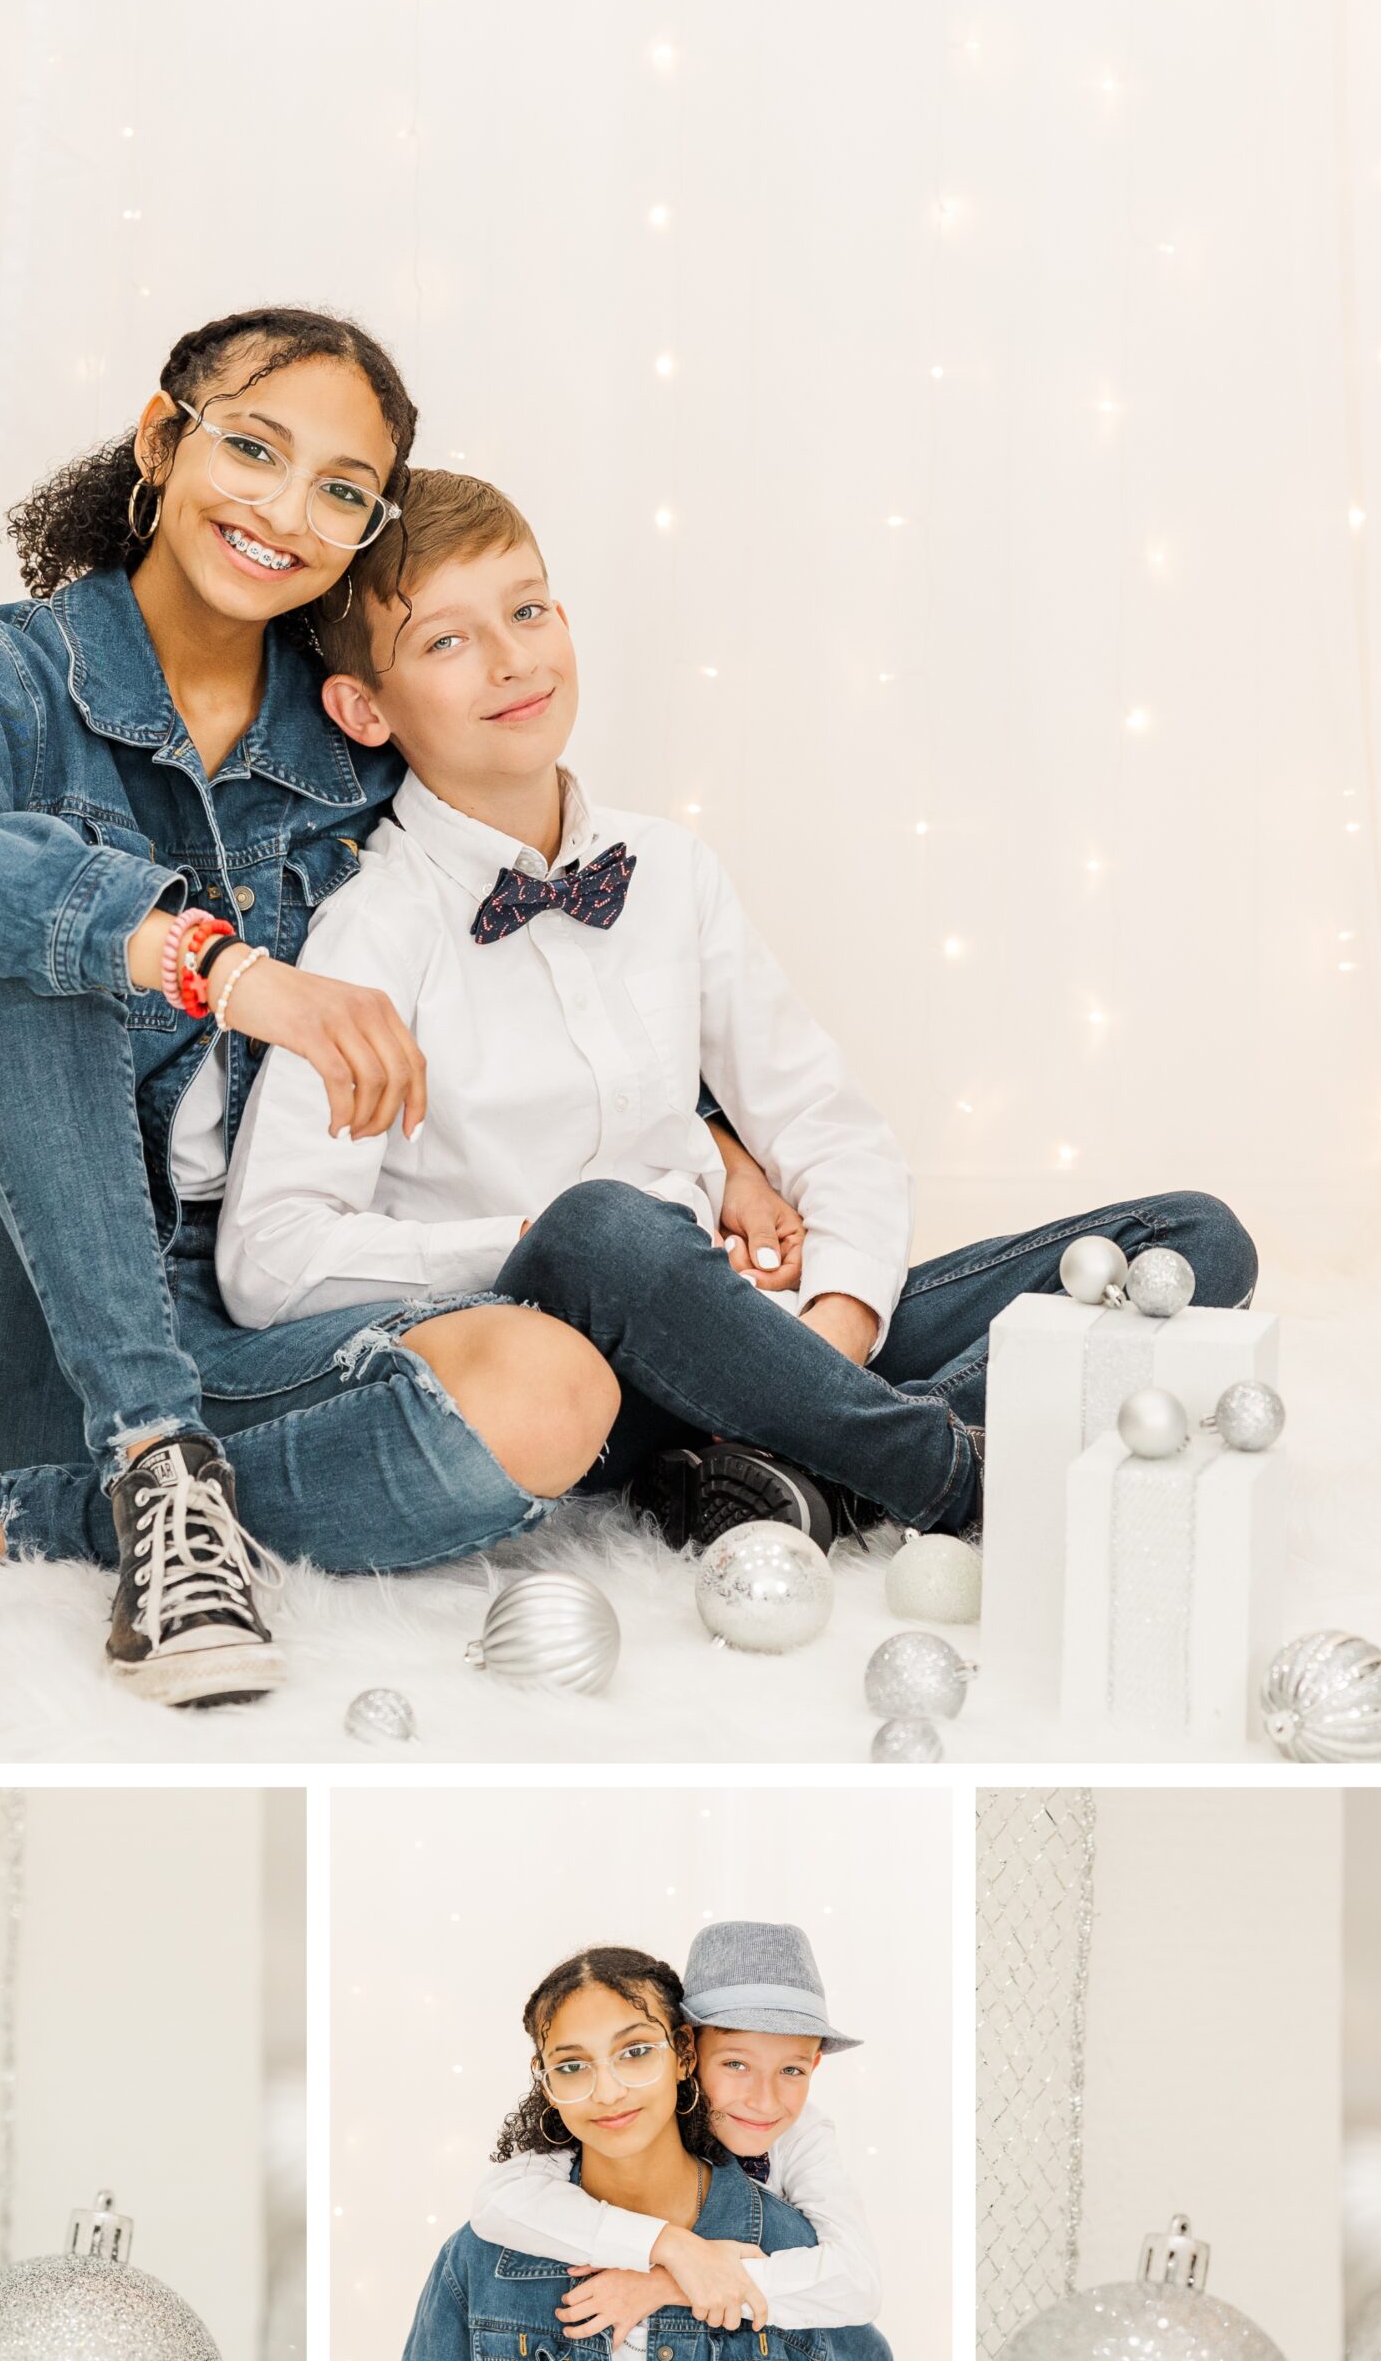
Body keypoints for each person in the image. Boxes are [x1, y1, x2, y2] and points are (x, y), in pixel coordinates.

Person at [0, 307, 618, 1706]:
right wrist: (217, 966)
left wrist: (717, 1126)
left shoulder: (354, 723)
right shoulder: (8, 670)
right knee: (44, 911)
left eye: (341, 491)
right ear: (162, 438)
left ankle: (37, 1511)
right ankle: (151, 1452)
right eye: (253, 449)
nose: (285, 511)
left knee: (554, 1391)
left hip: (232, 1301)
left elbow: (514, 883)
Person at [216, 469, 1257, 1550]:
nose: (513, 657)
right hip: (589, 1372)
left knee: (1189, 1242)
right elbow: (270, 1257)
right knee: (606, 1224)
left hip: (766, 1330)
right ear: (362, 708)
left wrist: (837, 1325)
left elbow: (827, 1128)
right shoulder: (373, 932)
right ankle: (944, 1474)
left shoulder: (669, 870)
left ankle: (800, 1456)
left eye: (527, 611)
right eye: (447, 641)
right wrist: (528, 1243)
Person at [377, 1945, 926, 2361]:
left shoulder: (785, 2233)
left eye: (635, 2052)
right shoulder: (488, 2255)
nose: (607, 2091)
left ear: (683, 2054)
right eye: (572, 2066)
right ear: (545, 2078)